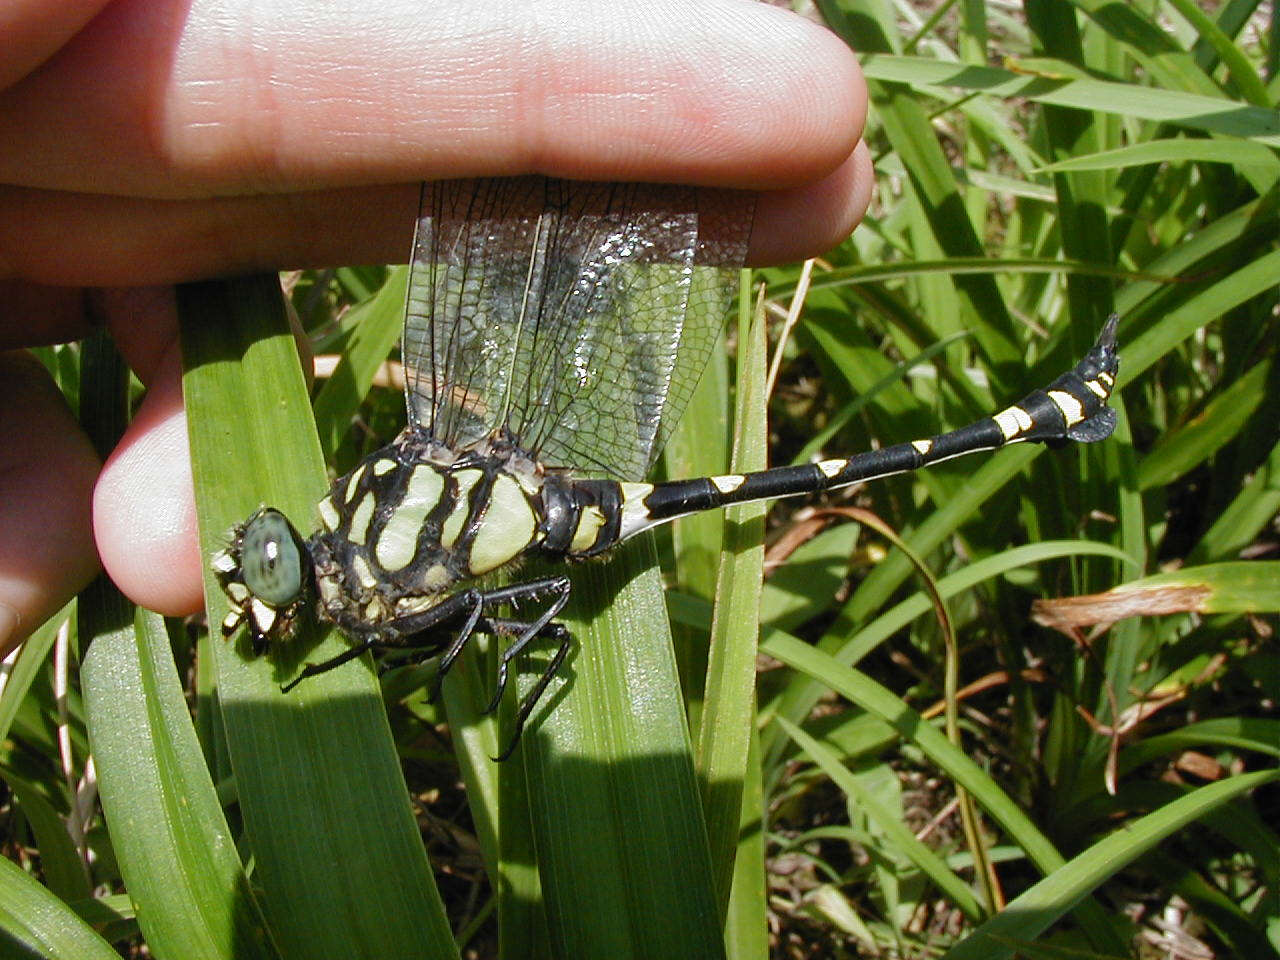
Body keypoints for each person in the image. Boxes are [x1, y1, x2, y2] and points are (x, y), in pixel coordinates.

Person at [0, 0, 872, 656]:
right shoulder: (362, 543)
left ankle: (1011, 424)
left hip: (541, 501)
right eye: (265, 567)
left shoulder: (379, 543)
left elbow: (462, 611)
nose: (256, 574)